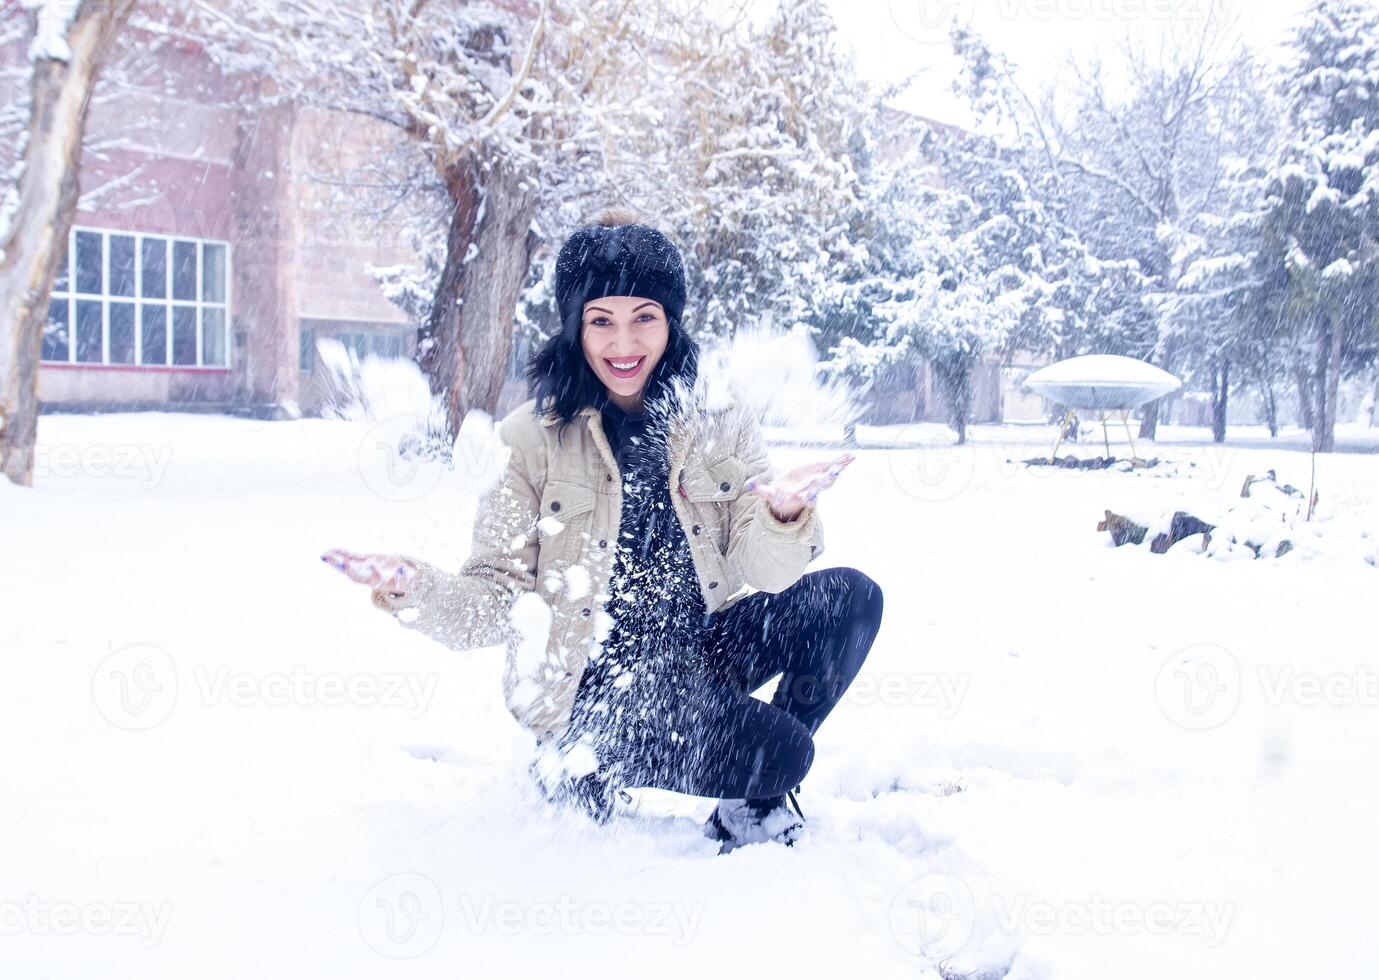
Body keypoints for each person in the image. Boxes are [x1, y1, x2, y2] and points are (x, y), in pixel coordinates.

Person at [323, 208, 884, 851]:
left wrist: (783, 515)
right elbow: (494, 599)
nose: (624, 344)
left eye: (644, 317)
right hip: (594, 692)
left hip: (694, 652)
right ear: (574, 328)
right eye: (601, 321)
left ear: (671, 323)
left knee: (852, 597)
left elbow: (767, 569)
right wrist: (414, 588)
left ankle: (749, 809)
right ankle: (579, 768)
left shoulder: (718, 422)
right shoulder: (530, 441)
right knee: (784, 752)